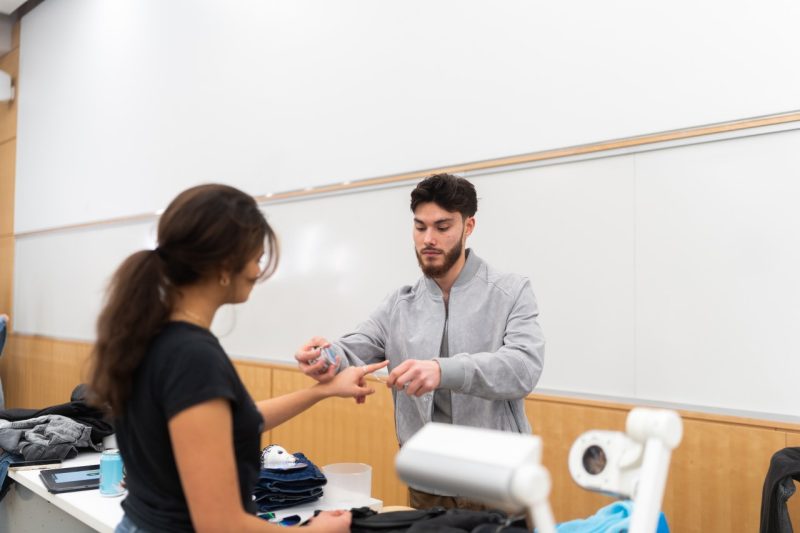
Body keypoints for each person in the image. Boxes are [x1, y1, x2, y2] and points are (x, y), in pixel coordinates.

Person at [89, 184, 386, 533]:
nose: (257, 272)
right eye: (257, 259)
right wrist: (314, 532)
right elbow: (219, 524)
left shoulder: (154, 336)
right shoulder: (192, 356)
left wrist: (323, 390)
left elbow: (222, 427)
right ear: (226, 264)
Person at [295, 173, 545, 510]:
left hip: (498, 480)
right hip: (427, 480)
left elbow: (523, 368)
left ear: (468, 227)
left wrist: (442, 371)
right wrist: (323, 356)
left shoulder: (511, 292)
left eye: (442, 227)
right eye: (420, 227)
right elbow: (353, 348)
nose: (429, 238)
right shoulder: (401, 303)